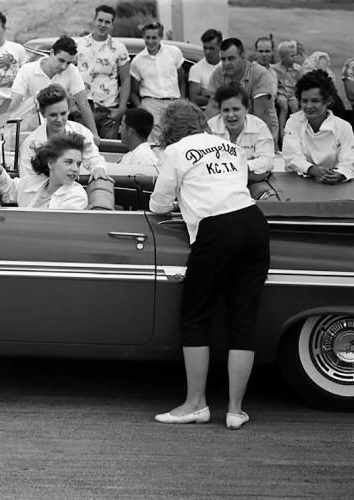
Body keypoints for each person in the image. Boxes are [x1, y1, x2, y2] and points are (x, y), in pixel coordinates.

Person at [150, 100, 270, 430]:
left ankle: (196, 404)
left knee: (196, 315)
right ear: (201, 122)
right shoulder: (230, 147)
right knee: (243, 319)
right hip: (254, 224)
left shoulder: (176, 151)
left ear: (170, 128)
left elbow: (158, 204)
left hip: (216, 228)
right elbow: (237, 185)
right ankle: (235, 410)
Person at [9, 36, 99, 143]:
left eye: (68, 63)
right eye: (61, 60)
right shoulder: (27, 70)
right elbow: (14, 101)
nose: (64, 66)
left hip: (57, 129)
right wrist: (1, 123)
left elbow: (83, 103)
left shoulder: (72, 71)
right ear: (51, 53)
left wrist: (94, 133)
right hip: (29, 129)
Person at [18, 84, 107, 180]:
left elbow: (92, 157)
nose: (59, 120)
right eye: (53, 115)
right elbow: (26, 180)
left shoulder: (81, 132)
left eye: (63, 113)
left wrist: (98, 168)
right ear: (43, 113)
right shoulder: (29, 144)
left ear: (69, 109)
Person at [282, 69, 354, 184]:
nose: (309, 106)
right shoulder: (293, 122)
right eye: (305, 101)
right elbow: (293, 157)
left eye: (315, 101)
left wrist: (339, 175)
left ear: (328, 101)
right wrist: (313, 170)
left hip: (333, 186)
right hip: (297, 183)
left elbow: (348, 162)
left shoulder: (343, 127)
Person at [76, 4, 130, 139]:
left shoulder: (119, 48)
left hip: (108, 108)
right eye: (100, 20)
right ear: (94, 20)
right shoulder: (79, 45)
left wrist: (121, 109)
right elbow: (67, 75)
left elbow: (125, 80)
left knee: (107, 150)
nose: (103, 25)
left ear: (112, 25)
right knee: (82, 149)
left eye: (107, 22)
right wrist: (71, 105)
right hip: (83, 106)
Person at [0, 131, 88, 209]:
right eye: (69, 162)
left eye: (78, 164)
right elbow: (11, 189)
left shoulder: (76, 196)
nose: (75, 169)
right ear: (51, 163)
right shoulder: (36, 181)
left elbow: (52, 225)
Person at [130, 21, 185, 143]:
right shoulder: (138, 61)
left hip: (173, 102)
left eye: (154, 38)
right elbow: (133, 92)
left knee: (175, 138)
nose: (150, 41)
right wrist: (141, 108)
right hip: (151, 103)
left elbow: (182, 80)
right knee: (154, 143)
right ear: (143, 37)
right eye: (147, 37)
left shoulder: (173, 52)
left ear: (160, 37)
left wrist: (182, 101)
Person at [206, 38, 275, 136]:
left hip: (260, 129)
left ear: (243, 56)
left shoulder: (260, 74)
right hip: (230, 129)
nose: (226, 64)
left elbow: (261, 115)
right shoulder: (218, 73)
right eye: (223, 59)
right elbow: (212, 108)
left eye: (231, 58)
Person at [208, 83, 274, 183]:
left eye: (236, 109)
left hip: (251, 182)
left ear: (247, 109)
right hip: (218, 182)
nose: (230, 115)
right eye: (225, 110)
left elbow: (267, 161)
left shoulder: (259, 126)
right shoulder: (210, 127)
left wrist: (236, 166)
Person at [253, 36, 279, 147]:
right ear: (256, 52)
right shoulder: (251, 71)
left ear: (272, 52)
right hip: (256, 114)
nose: (264, 55)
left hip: (272, 113)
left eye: (267, 51)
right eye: (261, 51)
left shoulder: (273, 72)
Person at [188, 29, 222, 108]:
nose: (207, 52)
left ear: (220, 47)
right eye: (205, 48)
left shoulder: (227, 66)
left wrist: (208, 93)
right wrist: (222, 98)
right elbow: (194, 99)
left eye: (211, 48)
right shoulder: (196, 69)